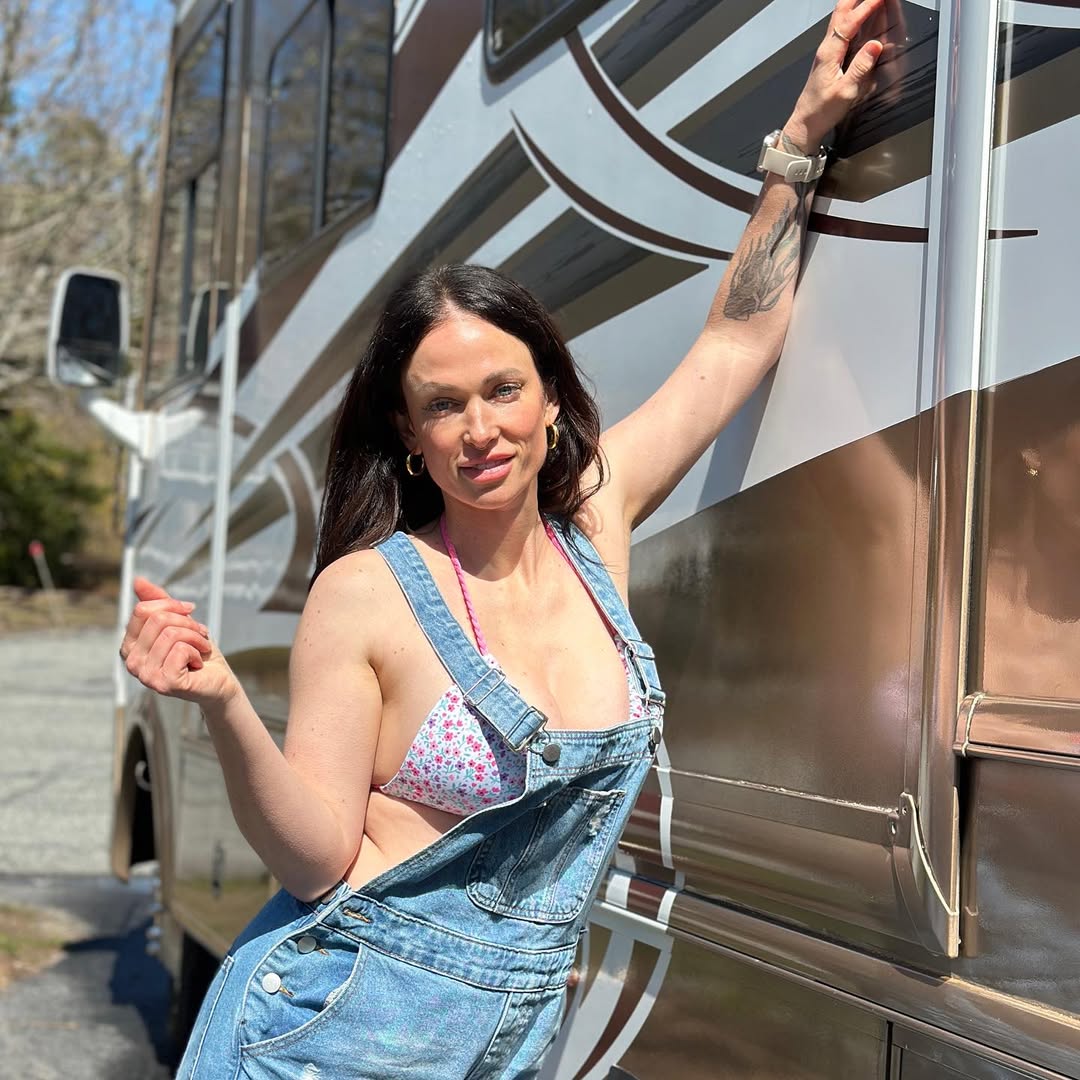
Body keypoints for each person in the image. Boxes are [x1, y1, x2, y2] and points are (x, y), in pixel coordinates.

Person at [120, 5, 883, 1076]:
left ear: (551, 400)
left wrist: (799, 143)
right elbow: (316, 861)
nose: (479, 428)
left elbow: (737, 339)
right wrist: (223, 703)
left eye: (503, 390)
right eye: (443, 405)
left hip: (503, 1047)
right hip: (332, 1035)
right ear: (410, 435)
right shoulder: (370, 591)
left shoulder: (596, 527)